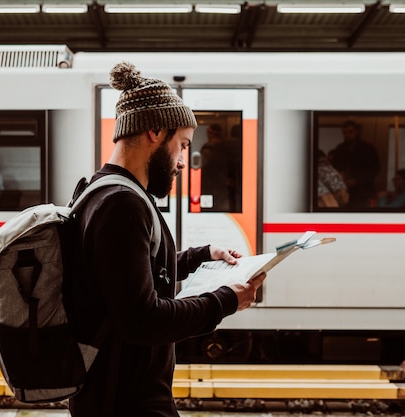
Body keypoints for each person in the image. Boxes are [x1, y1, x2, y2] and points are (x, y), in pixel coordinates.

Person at [68, 61, 265, 417]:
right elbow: (142, 319)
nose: (182, 162)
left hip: (114, 395)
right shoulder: (122, 203)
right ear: (155, 131)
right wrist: (225, 301)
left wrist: (203, 255)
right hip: (127, 403)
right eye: (183, 145)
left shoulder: (101, 191)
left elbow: (130, 273)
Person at [330, 120, 380, 209]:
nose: (347, 135)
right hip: (344, 190)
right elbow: (334, 167)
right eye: (344, 132)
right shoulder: (340, 149)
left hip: (364, 192)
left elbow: (375, 170)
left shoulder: (367, 148)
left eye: (350, 132)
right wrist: (340, 174)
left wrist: (357, 180)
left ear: (356, 132)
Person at [200, 123, 238, 211]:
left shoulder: (208, 149)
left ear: (209, 134)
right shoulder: (230, 149)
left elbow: (201, 167)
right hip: (228, 190)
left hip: (212, 188)